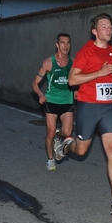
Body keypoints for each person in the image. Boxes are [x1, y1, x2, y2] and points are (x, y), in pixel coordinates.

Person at [54, 13, 112, 216]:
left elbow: (111, 75)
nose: (108, 29)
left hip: (108, 107)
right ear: (95, 31)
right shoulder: (86, 51)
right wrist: (98, 73)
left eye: (110, 26)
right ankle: (66, 145)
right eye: (104, 26)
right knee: (81, 150)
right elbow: (72, 80)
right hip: (88, 106)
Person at [31, 33, 75, 171]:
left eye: (68, 43)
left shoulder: (74, 63)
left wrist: (78, 90)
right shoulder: (48, 63)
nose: (65, 46)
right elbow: (35, 83)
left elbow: (78, 81)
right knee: (50, 131)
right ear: (57, 45)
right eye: (62, 43)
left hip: (67, 100)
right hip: (51, 101)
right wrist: (40, 94)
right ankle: (50, 160)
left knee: (67, 131)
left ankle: (58, 136)